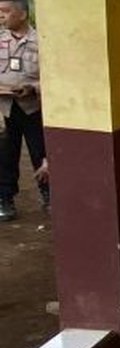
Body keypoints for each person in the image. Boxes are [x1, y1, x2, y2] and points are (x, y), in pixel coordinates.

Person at [0, 0, 44, 222]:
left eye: (6, 11)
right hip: (4, 110)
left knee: (41, 152)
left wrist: (32, 88)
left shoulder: (41, 42)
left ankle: (50, 195)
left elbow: (54, 77)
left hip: (34, 108)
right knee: (5, 156)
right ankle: (5, 199)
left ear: (23, 14)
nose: (1, 16)